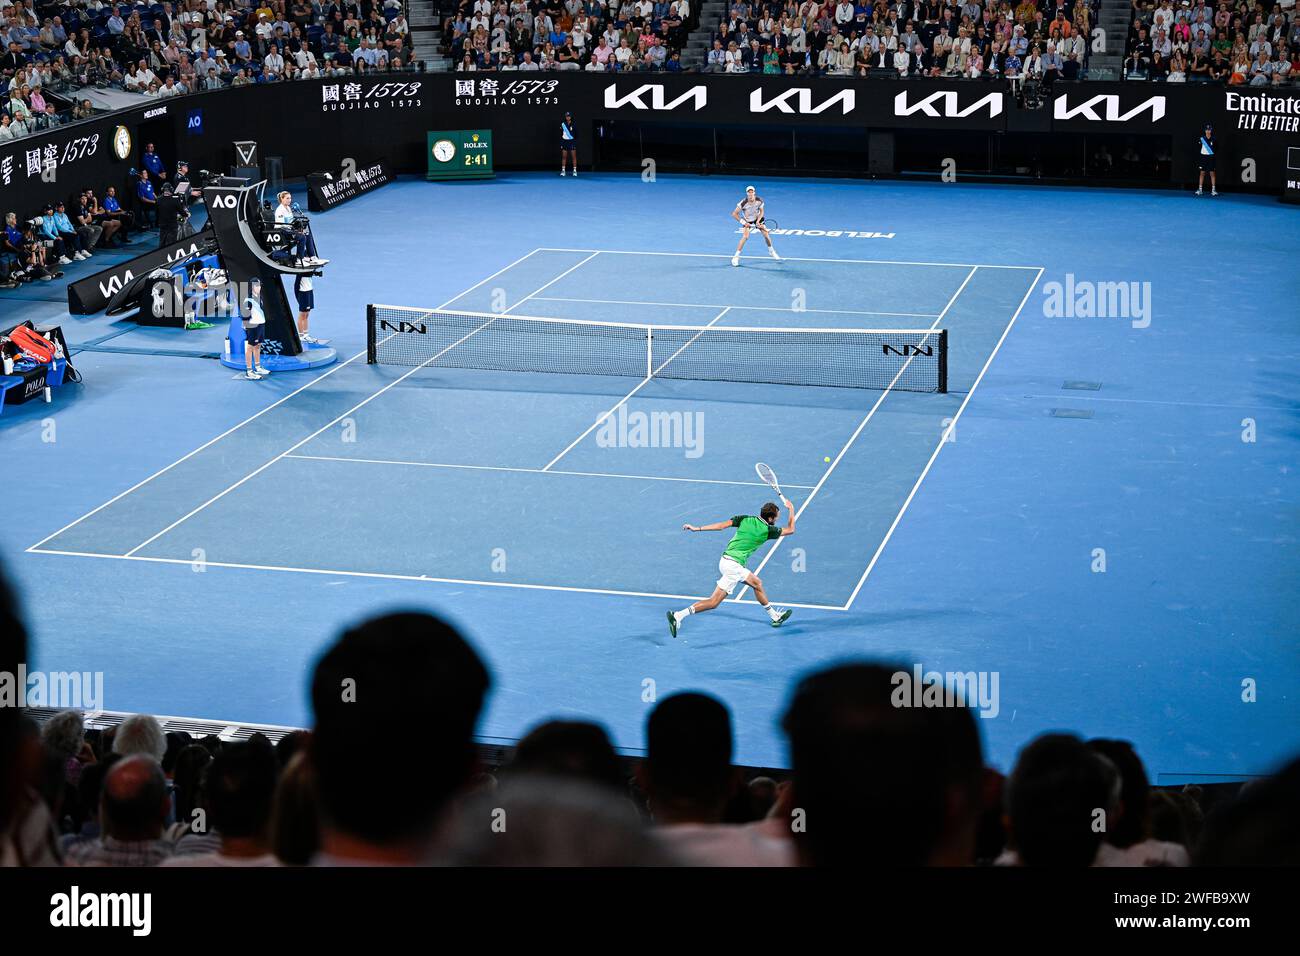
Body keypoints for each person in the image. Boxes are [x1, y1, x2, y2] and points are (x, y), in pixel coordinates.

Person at [668, 498, 795, 637]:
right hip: (734, 566)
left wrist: (697, 528)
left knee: (747, 588)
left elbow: (721, 526)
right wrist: (791, 509)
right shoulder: (769, 530)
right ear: (770, 519)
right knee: (746, 588)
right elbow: (791, 529)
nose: (777, 520)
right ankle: (678, 615)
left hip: (724, 561)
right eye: (776, 517)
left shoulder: (745, 519)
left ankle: (678, 615)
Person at [729, 185, 781, 266]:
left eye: (752, 192)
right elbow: (734, 214)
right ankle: (735, 257)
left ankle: (771, 251)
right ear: (747, 193)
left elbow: (762, 211)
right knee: (745, 236)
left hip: (757, 218)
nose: (750, 194)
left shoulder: (759, 200)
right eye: (749, 192)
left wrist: (758, 221)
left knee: (766, 235)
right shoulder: (743, 203)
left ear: (754, 192)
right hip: (747, 220)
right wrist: (743, 222)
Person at [241, 277, 269, 380]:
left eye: (260, 285)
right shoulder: (248, 300)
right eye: (257, 286)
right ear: (252, 287)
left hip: (261, 324)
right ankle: (249, 371)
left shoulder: (260, 297)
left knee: (258, 345)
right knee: (250, 347)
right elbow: (245, 315)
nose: (259, 287)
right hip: (253, 326)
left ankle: (257, 367)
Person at [293, 273, 327, 345]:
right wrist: (298, 296)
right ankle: (301, 336)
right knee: (302, 314)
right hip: (303, 293)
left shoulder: (308, 269)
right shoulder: (300, 271)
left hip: (309, 291)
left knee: (307, 314)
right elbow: (296, 286)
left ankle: (306, 335)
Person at [1195, 122, 1217, 196]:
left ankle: (1213, 190)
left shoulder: (1214, 139)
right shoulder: (1201, 139)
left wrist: (1211, 154)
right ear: (1205, 131)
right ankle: (1200, 190)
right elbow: (1198, 147)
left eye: (1209, 130)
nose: (1208, 131)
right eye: (1207, 130)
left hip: (1211, 157)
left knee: (1212, 173)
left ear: (1211, 130)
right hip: (1203, 157)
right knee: (1202, 173)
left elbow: (1216, 148)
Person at [559, 110, 577, 176]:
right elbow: (561, 134)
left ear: (571, 117)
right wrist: (562, 143)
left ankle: (574, 171)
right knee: (564, 157)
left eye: (569, 116)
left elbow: (576, 134)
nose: (568, 117)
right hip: (564, 142)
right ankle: (563, 171)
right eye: (567, 116)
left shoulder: (574, 124)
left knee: (573, 157)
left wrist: (573, 141)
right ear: (565, 117)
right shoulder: (563, 124)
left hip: (572, 142)